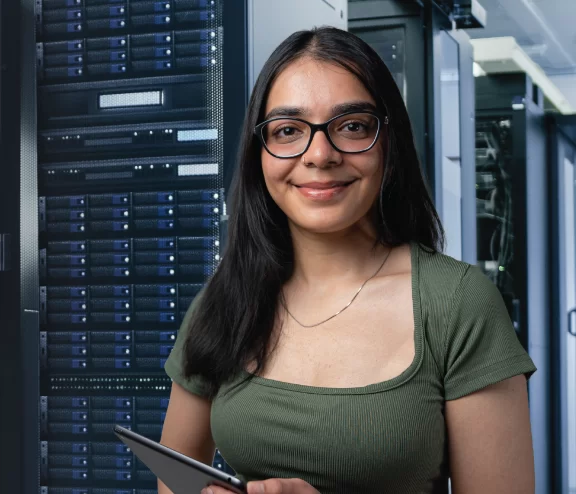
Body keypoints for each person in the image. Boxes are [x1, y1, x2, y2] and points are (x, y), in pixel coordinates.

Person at [158, 26, 536, 494]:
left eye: (352, 126)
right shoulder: (225, 299)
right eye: (288, 130)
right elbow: (173, 480)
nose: (319, 154)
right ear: (260, 153)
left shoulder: (456, 304)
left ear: (388, 142)